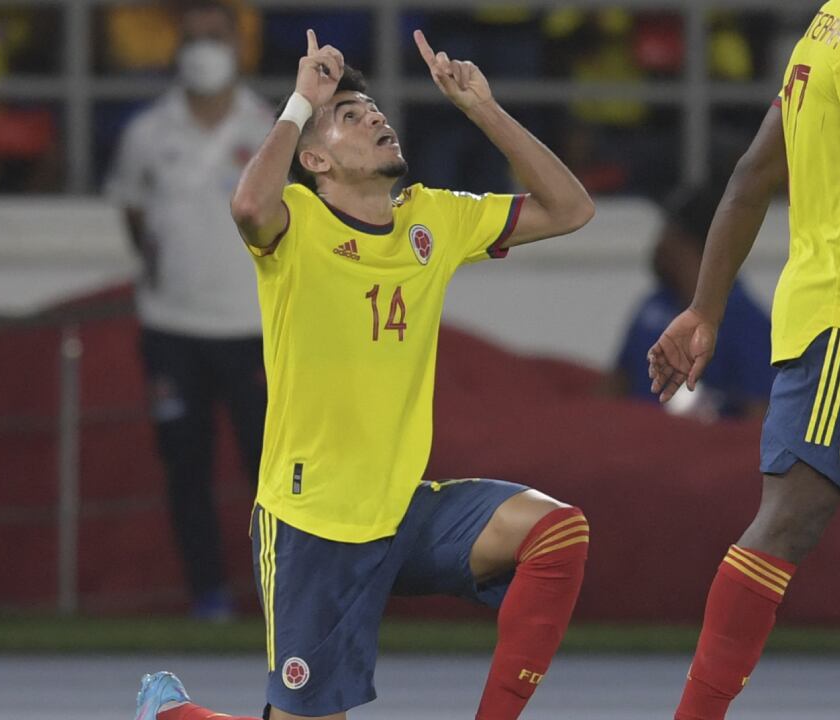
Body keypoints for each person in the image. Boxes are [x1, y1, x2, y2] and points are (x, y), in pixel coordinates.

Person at [136, 27, 595, 720]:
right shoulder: (296, 224)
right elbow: (247, 208)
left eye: (375, 111)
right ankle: (170, 716)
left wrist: (483, 110)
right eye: (351, 116)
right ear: (314, 157)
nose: (376, 117)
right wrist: (299, 102)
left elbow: (571, 209)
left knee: (556, 532)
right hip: (310, 523)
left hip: (402, 510)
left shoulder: (433, 219)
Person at [648, 0, 840, 717]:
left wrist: (704, 309)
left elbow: (750, 173)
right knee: (788, 521)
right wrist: (705, 308)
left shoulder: (827, 27)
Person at [105, 0, 271, 620]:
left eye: (216, 37)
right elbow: (132, 210)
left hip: (254, 329)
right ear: (177, 46)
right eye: (194, 37)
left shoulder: (270, 129)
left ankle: (279, 594)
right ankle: (210, 598)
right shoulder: (148, 133)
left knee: (274, 479)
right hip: (172, 329)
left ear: (238, 46)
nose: (204, 49)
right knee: (186, 472)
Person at [607, 184, 773, 420]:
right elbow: (615, 385)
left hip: (701, 451)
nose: (658, 243)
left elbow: (758, 419)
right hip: (634, 445)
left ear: (688, 243)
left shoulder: (747, 322)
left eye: (668, 230)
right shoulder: (654, 304)